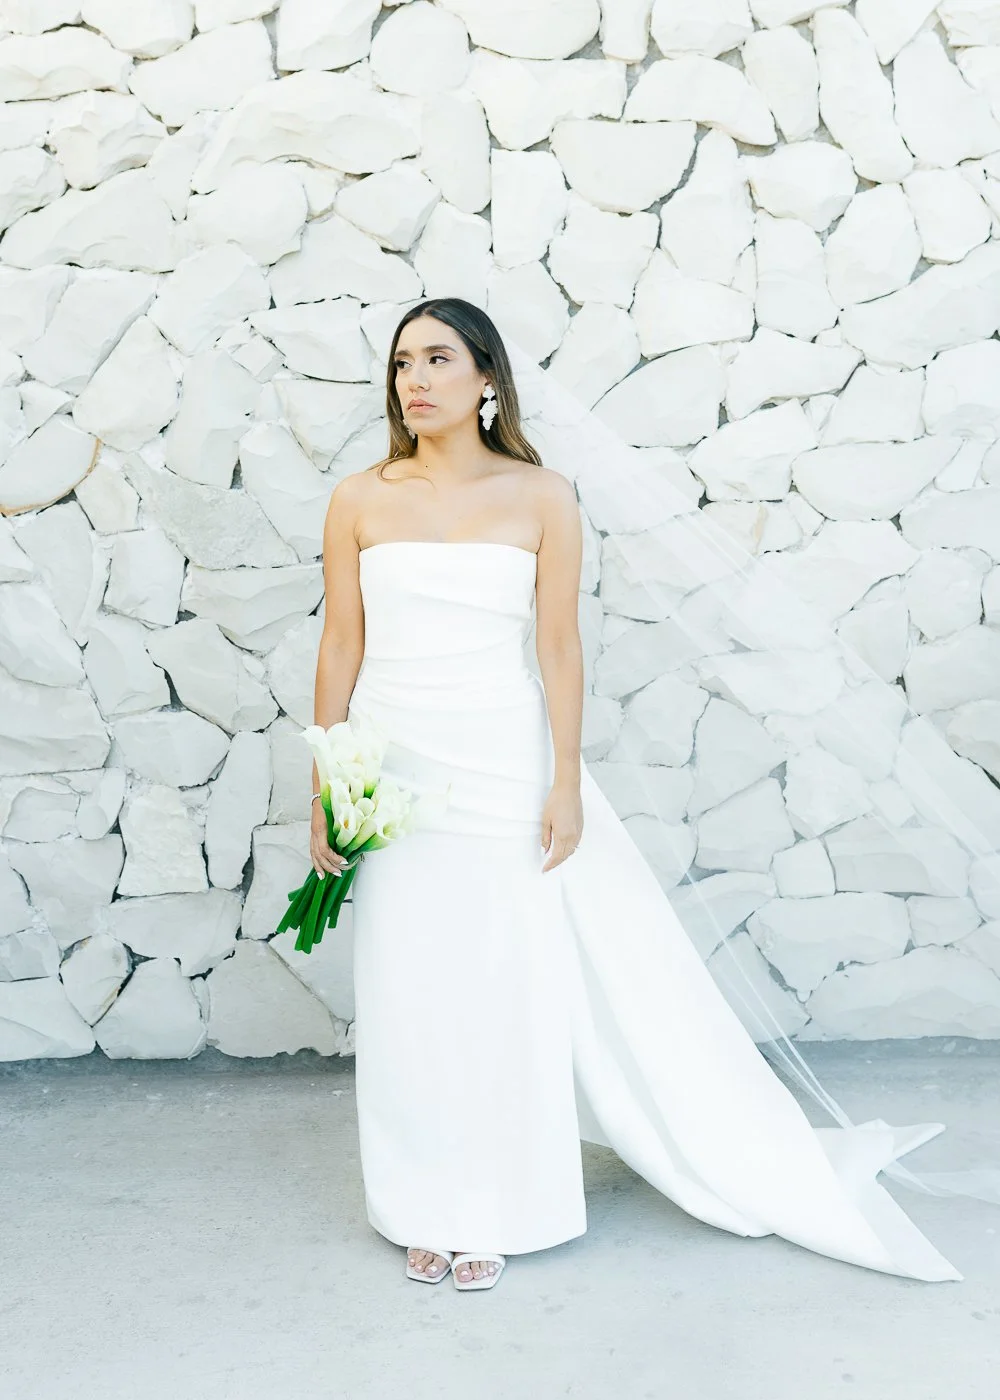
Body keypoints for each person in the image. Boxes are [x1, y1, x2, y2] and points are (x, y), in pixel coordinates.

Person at [307, 297, 965, 1291]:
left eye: (438, 358)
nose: (416, 379)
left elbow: (559, 647)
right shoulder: (359, 497)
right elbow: (340, 644)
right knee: (406, 984)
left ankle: (500, 1202)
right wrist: (330, 777)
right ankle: (419, 1200)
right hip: (392, 765)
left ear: (486, 378)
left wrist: (564, 778)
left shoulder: (542, 496)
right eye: (403, 362)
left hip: (498, 760)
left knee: (502, 981)